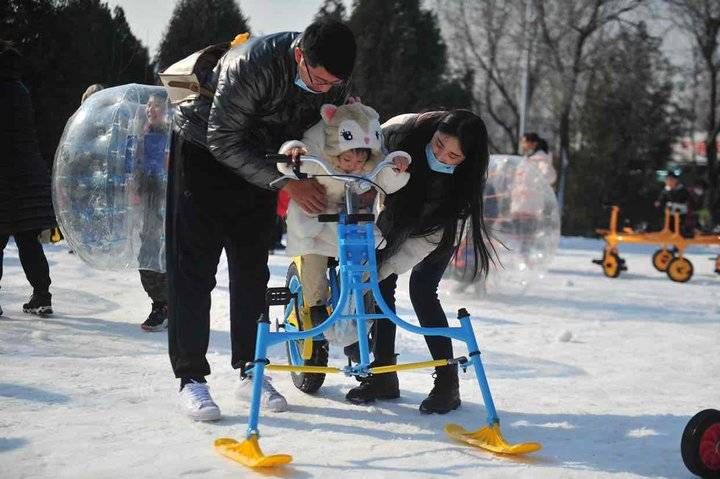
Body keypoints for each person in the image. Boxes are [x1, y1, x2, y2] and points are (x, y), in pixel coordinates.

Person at [167, 19, 356, 421]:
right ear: (300, 55)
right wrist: (286, 185)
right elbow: (222, 139)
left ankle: (251, 367)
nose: (325, 89)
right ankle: (191, 379)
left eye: (332, 83)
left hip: (267, 161)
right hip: (203, 151)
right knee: (195, 270)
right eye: (318, 80)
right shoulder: (253, 64)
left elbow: (344, 128)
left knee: (251, 269)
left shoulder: (334, 82)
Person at [344, 110, 493, 415]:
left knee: (422, 291)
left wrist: (379, 270)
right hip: (395, 213)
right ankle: (383, 373)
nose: (442, 155)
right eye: (439, 145)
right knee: (381, 281)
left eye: (453, 155)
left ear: (466, 159)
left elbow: (419, 246)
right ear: (434, 131)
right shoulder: (400, 132)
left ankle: (447, 383)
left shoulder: (464, 184)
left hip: (439, 228)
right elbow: (364, 158)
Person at [277, 101, 410, 333]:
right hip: (317, 220)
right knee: (314, 259)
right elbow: (297, 159)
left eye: (359, 162)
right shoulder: (321, 159)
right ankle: (316, 304)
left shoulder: (367, 167)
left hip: (352, 225)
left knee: (366, 260)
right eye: (347, 160)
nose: (352, 166)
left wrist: (397, 164)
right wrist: (293, 153)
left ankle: (362, 301)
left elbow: (386, 175)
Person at [0, 41, 57, 317]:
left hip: (5, 177)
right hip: (28, 176)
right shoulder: (22, 90)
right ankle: (42, 294)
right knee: (28, 239)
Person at [132, 92, 171, 332]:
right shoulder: (143, 134)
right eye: (148, 105)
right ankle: (161, 303)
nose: (150, 109)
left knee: (161, 253)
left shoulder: (173, 136)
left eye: (156, 105)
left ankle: (165, 305)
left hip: (167, 204)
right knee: (146, 253)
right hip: (148, 202)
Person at [654, 172, 690, 236]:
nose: (669, 182)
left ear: (676, 180)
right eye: (667, 180)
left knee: (678, 226)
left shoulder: (682, 190)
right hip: (669, 212)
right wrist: (658, 202)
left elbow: (687, 200)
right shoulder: (666, 190)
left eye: (671, 180)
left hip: (680, 212)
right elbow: (661, 199)